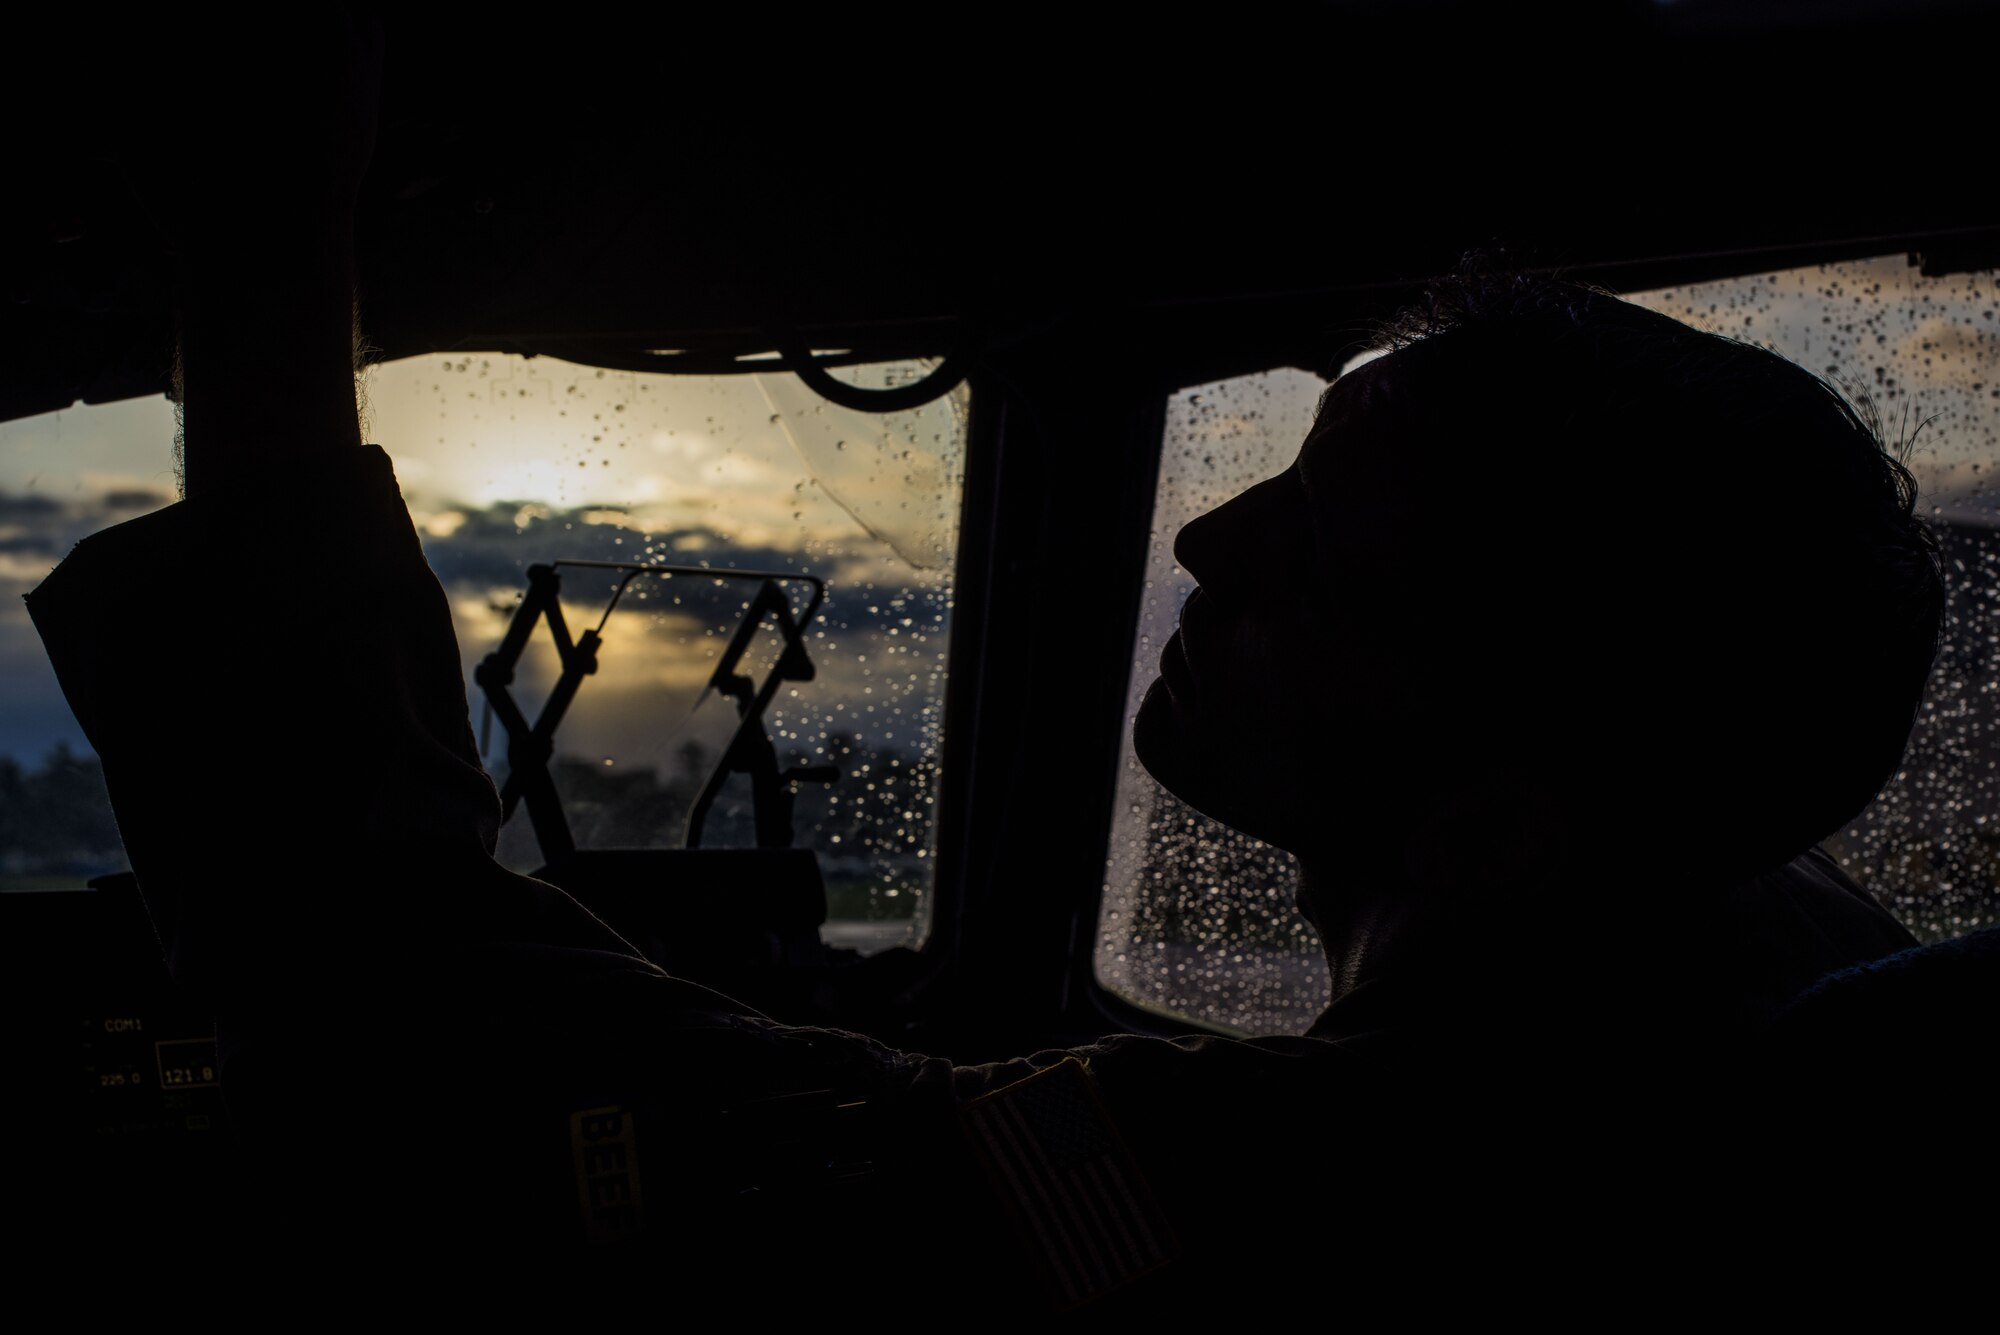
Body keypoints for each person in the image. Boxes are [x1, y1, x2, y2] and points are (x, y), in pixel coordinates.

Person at [24, 37, 1948, 1310]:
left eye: (1330, 558)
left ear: (1513, 824)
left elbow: (383, 998)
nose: (1208, 544)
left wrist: (264, 239)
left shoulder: (1338, 1200)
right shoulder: (1762, 970)